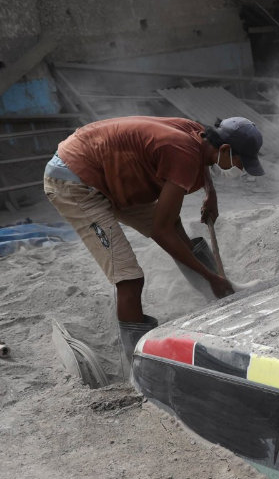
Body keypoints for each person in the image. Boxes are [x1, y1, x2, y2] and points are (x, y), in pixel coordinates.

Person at [43, 115, 265, 351]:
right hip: (75, 181)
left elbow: (200, 162)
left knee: (176, 229)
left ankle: (218, 292)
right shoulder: (184, 153)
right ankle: (134, 358)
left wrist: (211, 193)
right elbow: (160, 231)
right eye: (241, 163)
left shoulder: (198, 134)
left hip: (106, 170)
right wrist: (211, 276)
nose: (240, 169)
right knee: (130, 278)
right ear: (226, 149)